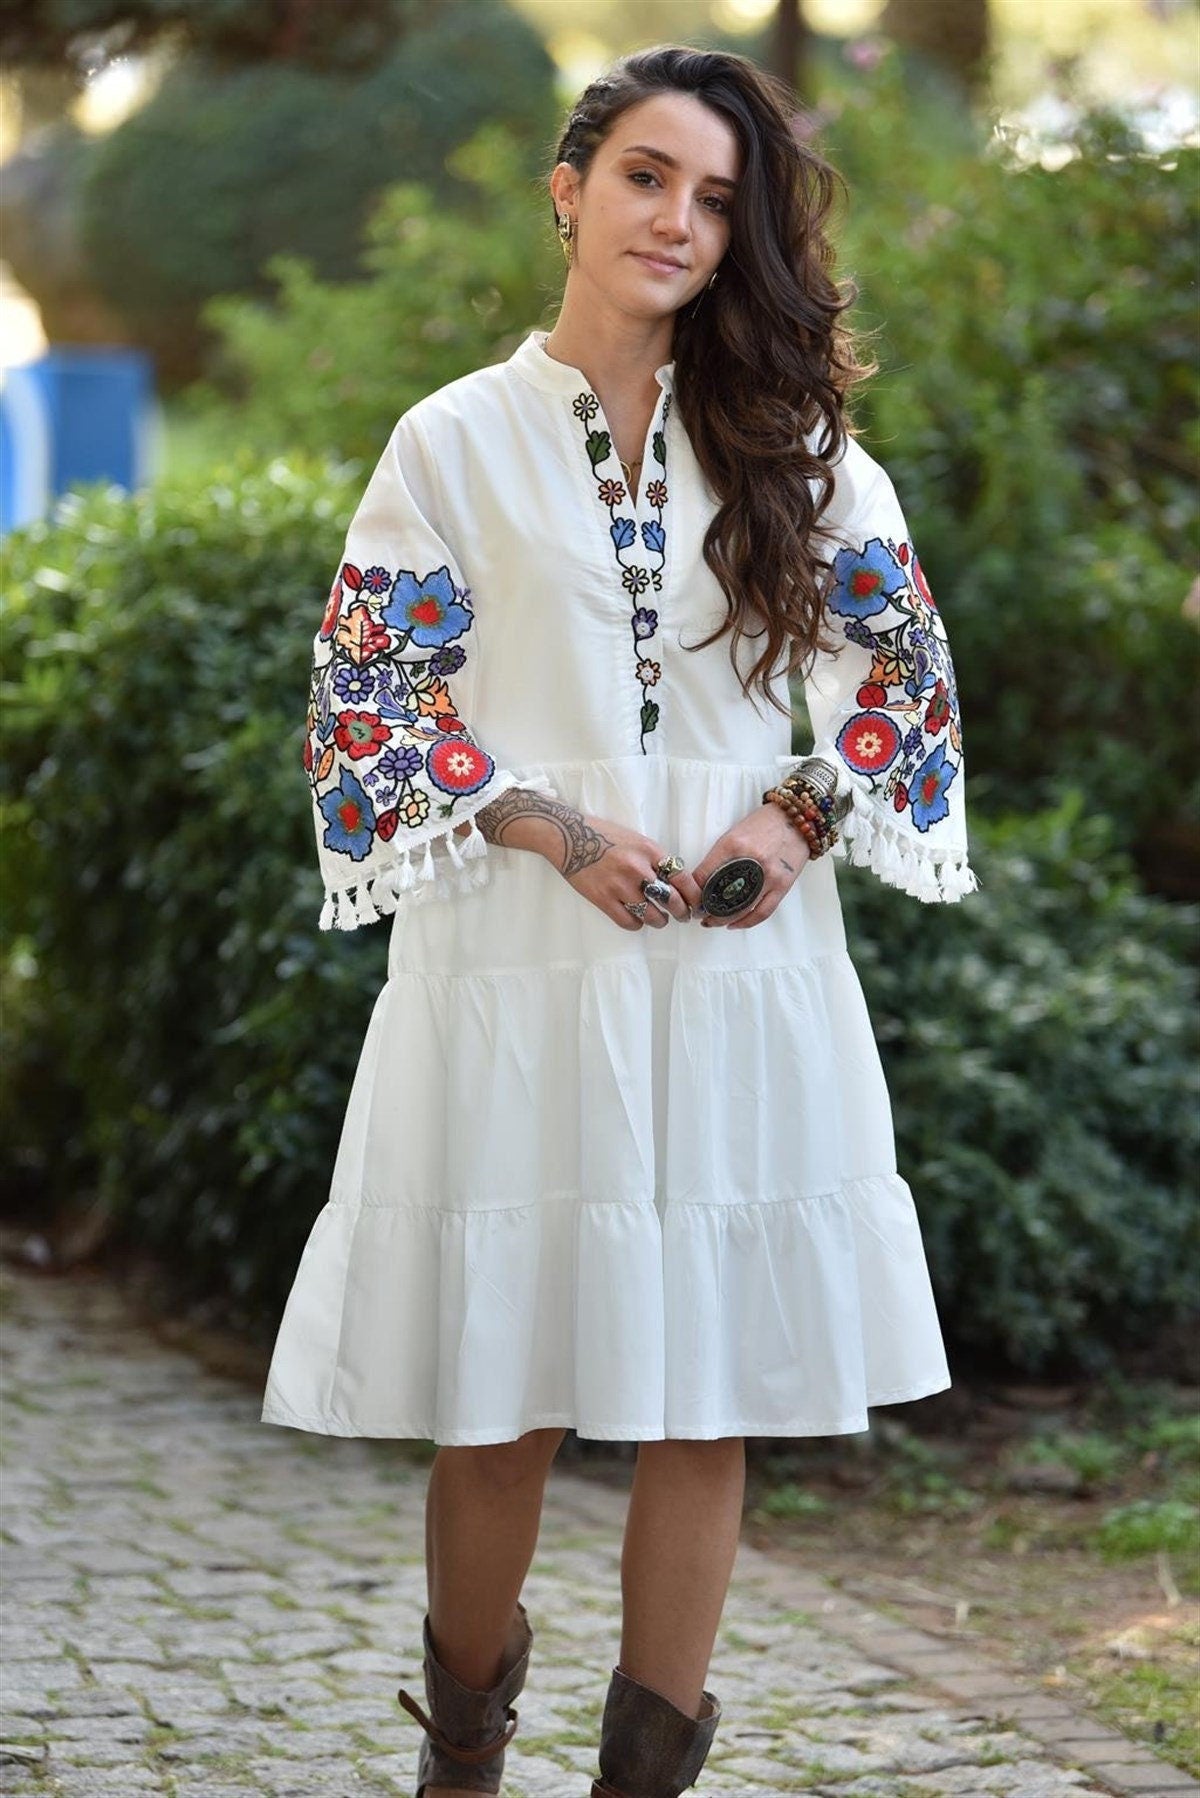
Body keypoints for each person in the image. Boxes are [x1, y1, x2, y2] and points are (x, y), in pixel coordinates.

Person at [260, 41, 979, 1798]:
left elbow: (909, 679)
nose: (679, 218)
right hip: (521, 963)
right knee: (501, 1394)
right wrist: (541, 818)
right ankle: (464, 1760)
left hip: (738, 976)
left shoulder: (796, 447)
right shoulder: (455, 439)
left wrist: (797, 809)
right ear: (570, 192)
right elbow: (370, 697)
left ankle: (645, 1778)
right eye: (649, 177)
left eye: (719, 199)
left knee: (704, 1391)